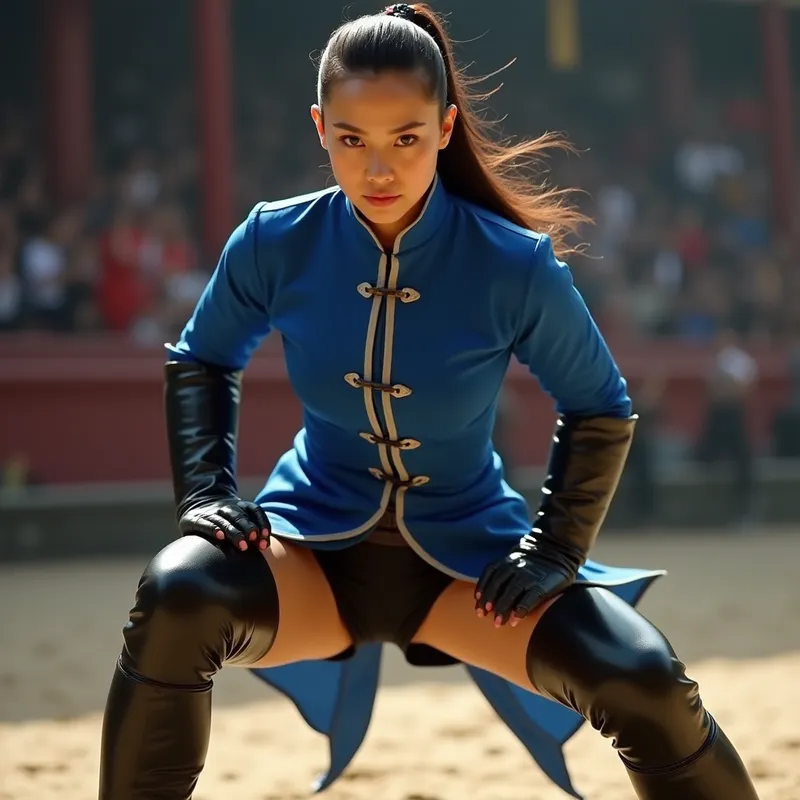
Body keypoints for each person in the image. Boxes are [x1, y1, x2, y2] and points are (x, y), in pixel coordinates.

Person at [98, 5, 760, 799]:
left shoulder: (513, 264)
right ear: (320, 127)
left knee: (645, 678)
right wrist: (206, 493)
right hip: (310, 553)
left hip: (469, 568)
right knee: (177, 593)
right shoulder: (276, 240)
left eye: (405, 139)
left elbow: (600, 405)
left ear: (445, 128)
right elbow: (202, 358)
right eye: (352, 140)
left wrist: (553, 551)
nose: (378, 170)